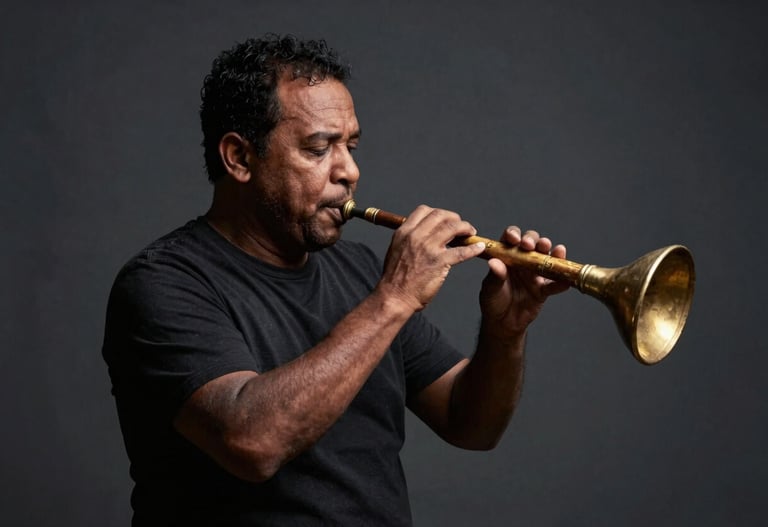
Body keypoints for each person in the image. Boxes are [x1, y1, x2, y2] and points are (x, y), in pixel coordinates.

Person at [102, 34, 569, 526]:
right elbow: (251, 443)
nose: (349, 171)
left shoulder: (362, 271)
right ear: (239, 157)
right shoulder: (163, 283)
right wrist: (395, 298)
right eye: (319, 148)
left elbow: (470, 424)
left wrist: (505, 331)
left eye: (350, 145)